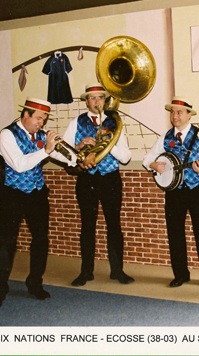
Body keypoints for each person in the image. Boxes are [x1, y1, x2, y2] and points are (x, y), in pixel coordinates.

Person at [0, 97, 77, 309]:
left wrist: (76, 157)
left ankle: (34, 282)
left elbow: (60, 154)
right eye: (38, 118)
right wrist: (46, 150)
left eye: (44, 119)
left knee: (40, 240)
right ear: (25, 114)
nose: (41, 123)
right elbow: (19, 165)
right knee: (6, 243)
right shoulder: (6, 135)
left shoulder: (39, 135)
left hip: (37, 193)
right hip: (13, 194)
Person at [143, 96, 199, 289]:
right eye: (172, 112)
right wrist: (153, 164)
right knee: (175, 233)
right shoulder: (165, 137)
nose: (174, 115)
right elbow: (147, 158)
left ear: (188, 114)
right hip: (174, 192)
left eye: (179, 112)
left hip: (197, 189)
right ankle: (180, 274)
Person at [62, 82, 133, 286]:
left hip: (110, 178)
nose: (97, 102)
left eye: (100, 98)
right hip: (87, 179)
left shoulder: (115, 122)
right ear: (86, 102)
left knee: (114, 225)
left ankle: (117, 271)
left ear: (105, 100)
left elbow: (126, 157)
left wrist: (108, 145)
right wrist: (78, 146)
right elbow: (64, 154)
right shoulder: (76, 122)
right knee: (87, 226)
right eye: (92, 98)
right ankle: (86, 272)